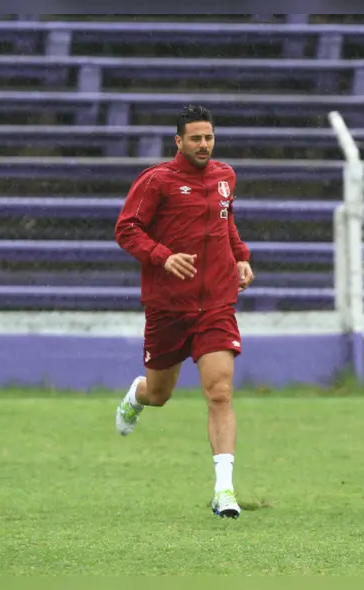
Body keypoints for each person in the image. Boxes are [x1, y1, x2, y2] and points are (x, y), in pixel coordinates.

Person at [113, 105, 255, 519]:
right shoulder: (157, 181)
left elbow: (226, 224)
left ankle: (224, 491)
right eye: (195, 138)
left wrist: (241, 257)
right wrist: (163, 256)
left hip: (215, 302)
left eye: (209, 137)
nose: (204, 145)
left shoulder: (225, 177)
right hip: (168, 306)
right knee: (160, 394)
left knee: (220, 391)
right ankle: (137, 395)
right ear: (179, 141)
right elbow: (126, 229)